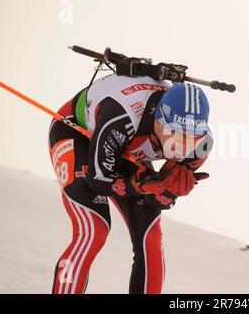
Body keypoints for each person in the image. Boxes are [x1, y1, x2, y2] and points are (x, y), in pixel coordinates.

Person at [47, 72, 213, 294]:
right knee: (94, 230)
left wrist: (165, 194)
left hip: (126, 150)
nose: (180, 149)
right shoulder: (123, 118)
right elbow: (97, 179)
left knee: (150, 238)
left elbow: (158, 199)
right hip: (75, 133)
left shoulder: (200, 147)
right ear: (160, 123)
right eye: (175, 137)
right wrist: (137, 185)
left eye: (191, 141)